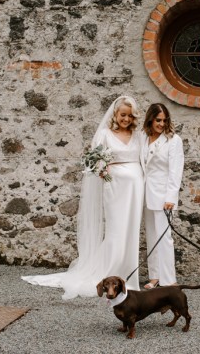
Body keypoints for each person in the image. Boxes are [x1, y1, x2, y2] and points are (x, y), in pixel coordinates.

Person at [22, 96, 144, 298]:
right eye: (123, 115)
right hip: (115, 188)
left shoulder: (137, 135)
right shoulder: (105, 134)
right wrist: (103, 170)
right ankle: (109, 274)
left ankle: (128, 276)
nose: (126, 119)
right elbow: (94, 161)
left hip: (135, 189)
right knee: (116, 230)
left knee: (131, 230)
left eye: (130, 116)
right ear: (115, 114)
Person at [141, 103, 184, 289]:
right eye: (158, 120)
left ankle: (169, 280)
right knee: (151, 235)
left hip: (163, 196)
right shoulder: (142, 137)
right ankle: (155, 276)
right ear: (150, 119)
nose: (161, 123)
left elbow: (176, 171)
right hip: (143, 193)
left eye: (164, 120)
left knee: (164, 237)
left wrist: (171, 198)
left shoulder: (173, 140)